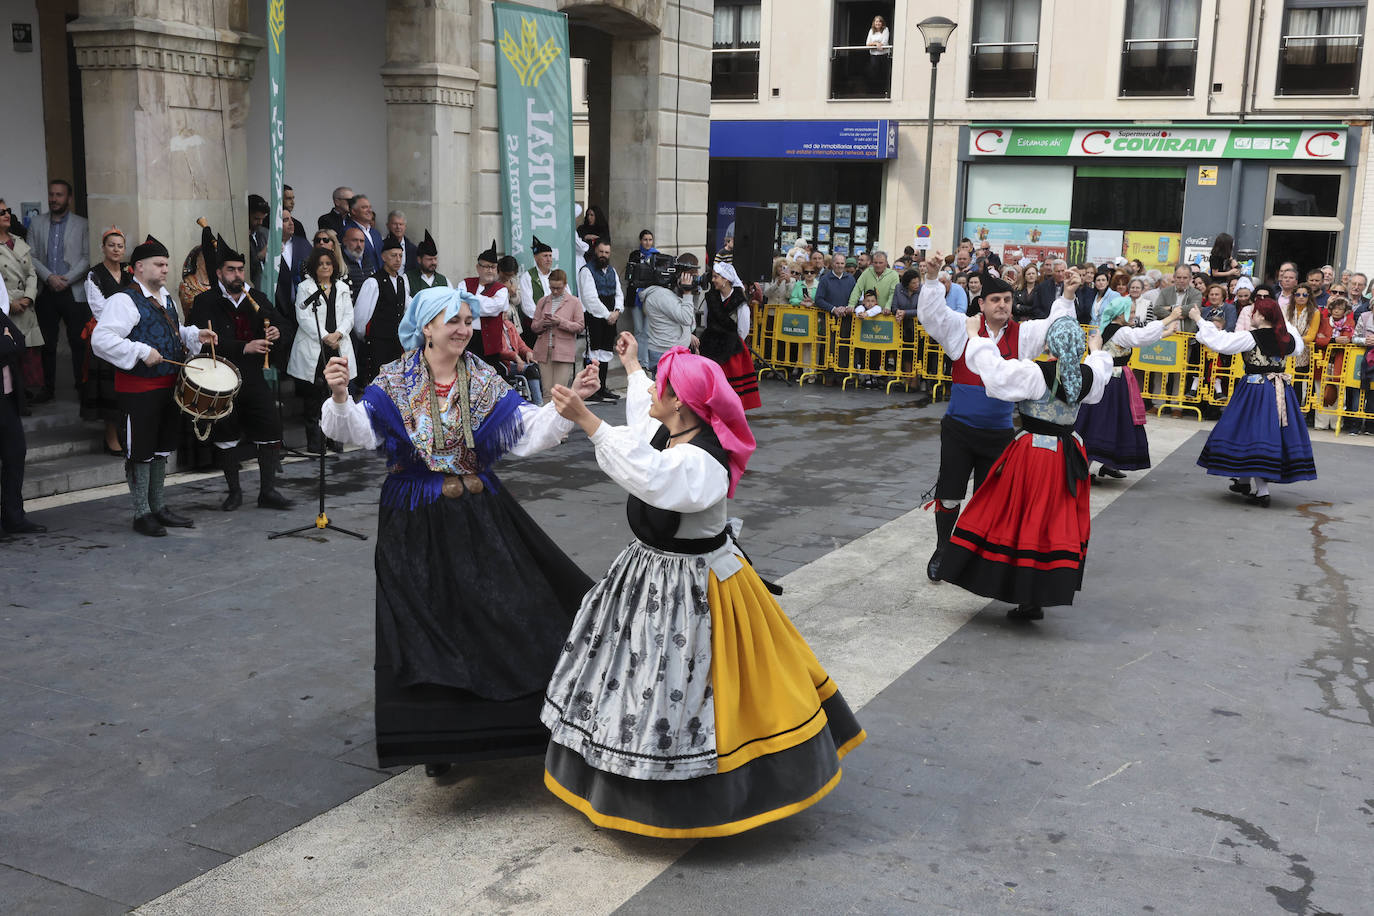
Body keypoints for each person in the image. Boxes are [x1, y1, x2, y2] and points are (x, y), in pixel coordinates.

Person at [541, 333, 866, 837]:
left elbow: (653, 478)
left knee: (683, 686)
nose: (652, 393)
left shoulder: (702, 461)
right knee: (635, 676)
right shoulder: (673, 432)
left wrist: (587, 421)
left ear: (680, 403)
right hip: (650, 572)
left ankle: (684, 796)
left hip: (695, 587)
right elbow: (641, 431)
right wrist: (630, 368)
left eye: (660, 387)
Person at [318, 286, 600, 774]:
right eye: (455, 320)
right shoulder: (394, 381)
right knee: (428, 625)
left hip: (477, 513)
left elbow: (526, 432)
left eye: (469, 321)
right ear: (427, 327)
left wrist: (567, 406)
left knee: (503, 610)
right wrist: (341, 397)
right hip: (414, 517)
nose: (465, 330)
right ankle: (438, 743)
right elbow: (358, 433)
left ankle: (520, 723)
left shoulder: (484, 378)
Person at [937, 315, 1113, 620]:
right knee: (1049, 522)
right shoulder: (1086, 375)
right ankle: (1034, 599)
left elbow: (996, 374)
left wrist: (975, 337)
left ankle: (1007, 584)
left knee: (1014, 516)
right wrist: (1096, 349)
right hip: (1065, 456)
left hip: (1032, 456)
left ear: (1049, 344)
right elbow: (1102, 369)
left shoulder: (1036, 372)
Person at [917, 253, 1078, 582]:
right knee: (949, 494)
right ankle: (943, 548)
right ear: (982, 303)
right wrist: (932, 280)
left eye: (1007, 299)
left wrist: (1068, 296)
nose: (1003, 305)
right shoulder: (963, 329)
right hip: (959, 430)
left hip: (999, 434)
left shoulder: (1023, 334)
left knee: (990, 499)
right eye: (996, 300)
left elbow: (1055, 327)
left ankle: (977, 554)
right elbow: (932, 316)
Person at [91, 236, 219, 537]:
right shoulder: (124, 300)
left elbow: (169, 332)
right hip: (139, 389)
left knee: (161, 449)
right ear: (138, 267)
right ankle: (141, 513)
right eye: (159, 265)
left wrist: (192, 335)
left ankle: (159, 506)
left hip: (169, 387)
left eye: (166, 265)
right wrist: (139, 351)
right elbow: (102, 340)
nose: (165, 270)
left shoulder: (167, 299)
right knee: (141, 451)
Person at [188, 229, 294, 511]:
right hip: (221, 378)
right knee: (226, 433)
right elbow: (200, 343)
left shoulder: (255, 297)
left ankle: (268, 491)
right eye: (231, 270)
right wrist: (243, 347)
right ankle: (234, 491)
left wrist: (276, 335)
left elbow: (283, 324)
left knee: (270, 429)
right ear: (220, 273)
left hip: (254, 376)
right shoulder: (205, 302)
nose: (237, 275)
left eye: (240, 270)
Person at [1191, 299, 1316, 505]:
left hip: (1255, 390)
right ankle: (1243, 481)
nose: (1252, 315)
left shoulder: (1251, 338)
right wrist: (1283, 318)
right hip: (1280, 391)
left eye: (1255, 313)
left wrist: (1199, 320)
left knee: (1254, 434)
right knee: (1258, 433)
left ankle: (1262, 491)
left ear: (1263, 316)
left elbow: (1220, 342)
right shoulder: (1288, 339)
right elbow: (1299, 345)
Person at [1075, 301, 1182, 479]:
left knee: (1108, 420)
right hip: (1113, 381)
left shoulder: (1108, 327)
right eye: (1130, 312)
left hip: (1109, 378)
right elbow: (1140, 337)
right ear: (1119, 314)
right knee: (1105, 421)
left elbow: (1140, 337)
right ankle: (1086, 468)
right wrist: (1169, 318)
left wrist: (1166, 333)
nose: (1133, 315)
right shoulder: (1121, 331)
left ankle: (1108, 464)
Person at [287, 246, 357, 454]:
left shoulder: (342, 287)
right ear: (314, 267)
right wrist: (325, 336)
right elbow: (304, 318)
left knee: (336, 394)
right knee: (314, 397)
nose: (325, 267)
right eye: (321, 264)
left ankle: (336, 439)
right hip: (315, 348)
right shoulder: (305, 288)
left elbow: (349, 316)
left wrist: (339, 334)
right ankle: (316, 442)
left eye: (328, 263)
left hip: (338, 345)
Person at [29, 179, 91, 403]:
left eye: (59, 195)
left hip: (73, 290)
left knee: (78, 341)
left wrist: (67, 278)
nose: (54, 199)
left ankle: (81, 386)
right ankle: (48, 388)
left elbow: (87, 256)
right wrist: (49, 277)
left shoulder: (82, 224)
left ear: (69, 198)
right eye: (51, 195)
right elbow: (31, 255)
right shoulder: (36, 223)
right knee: (47, 342)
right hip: (46, 290)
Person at [1, 279, 45, 535]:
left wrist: (7, 342)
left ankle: (13, 517)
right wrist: (6, 343)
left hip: (7, 398)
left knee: (15, 454)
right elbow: (7, 345)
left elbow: (18, 340)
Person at [83, 228, 133, 453]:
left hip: (129, 335)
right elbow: (99, 309)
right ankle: (111, 436)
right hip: (107, 335)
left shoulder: (129, 273)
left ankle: (126, 433)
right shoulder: (94, 274)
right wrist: (121, 324)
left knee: (127, 388)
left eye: (120, 246)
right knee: (110, 389)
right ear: (103, 248)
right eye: (111, 245)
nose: (116, 249)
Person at [698, 262, 760, 410]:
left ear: (726, 279)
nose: (713, 280)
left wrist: (732, 343)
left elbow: (743, 329)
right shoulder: (711, 298)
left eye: (716, 277)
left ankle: (730, 408)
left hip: (731, 346)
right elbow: (706, 321)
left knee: (730, 380)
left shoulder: (740, 301)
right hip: (711, 344)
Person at [0, 200, 43, 412]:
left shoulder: (18, 241)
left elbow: (32, 273)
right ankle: (16, 401)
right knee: (10, 355)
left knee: (27, 357)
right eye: (1, 212)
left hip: (25, 305)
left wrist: (28, 297)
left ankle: (24, 396)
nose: (6, 214)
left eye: (7, 211)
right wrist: (10, 302)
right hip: (7, 308)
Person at [354, 236, 412, 386]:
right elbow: (361, 317)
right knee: (378, 381)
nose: (398, 259)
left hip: (396, 343)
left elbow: (407, 306)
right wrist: (367, 338)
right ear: (383, 257)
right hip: (377, 345)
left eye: (400, 255)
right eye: (393, 256)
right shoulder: (373, 282)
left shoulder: (401, 281)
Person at [577, 238, 624, 402]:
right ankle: (589, 391)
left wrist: (617, 311)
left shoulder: (612, 271)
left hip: (611, 318)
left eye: (607, 253)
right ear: (595, 252)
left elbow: (619, 293)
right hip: (594, 318)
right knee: (593, 353)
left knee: (605, 352)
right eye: (601, 252)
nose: (603, 255)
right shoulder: (586, 271)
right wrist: (607, 315)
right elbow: (590, 299)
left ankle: (602, 387)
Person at [640, 254, 701, 368]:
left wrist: (693, 292)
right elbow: (686, 318)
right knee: (666, 386)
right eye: (693, 273)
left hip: (674, 351)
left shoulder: (669, 293)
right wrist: (687, 293)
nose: (697, 276)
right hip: (666, 352)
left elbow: (687, 316)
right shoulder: (661, 295)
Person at [460, 240, 512, 367]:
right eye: (486, 267)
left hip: (490, 344)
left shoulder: (502, 289)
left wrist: (470, 299)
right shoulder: (465, 283)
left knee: (488, 379)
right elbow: (460, 305)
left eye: (493, 267)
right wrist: (486, 300)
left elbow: (493, 309)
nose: (490, 270)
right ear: (478, 267)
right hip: (468, 338)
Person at [531, 269, 585, 389]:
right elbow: (534, 327)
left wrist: (560, 322)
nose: (555, 291)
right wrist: (543, 323)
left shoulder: (574, 302)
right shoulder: (543, 301)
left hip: (564, 351)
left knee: (559, 391)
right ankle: (547, 408)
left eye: (559, 288)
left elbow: (580, 326)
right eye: (552, 287)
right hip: (544, 351)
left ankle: (558, 409)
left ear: (565, 285)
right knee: (546, 391)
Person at [516, 235, 555, 344]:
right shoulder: (527, 277)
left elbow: (567, 298)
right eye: (545, 256)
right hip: (536, 328)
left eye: (550, 256)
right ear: (536, 257)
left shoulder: (556, 275)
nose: (549, 259)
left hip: (557, 326)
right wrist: (545, 320)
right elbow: (527, 306)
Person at [275, 208, 313, 316]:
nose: (291, 223)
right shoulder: (268, 245)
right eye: (285, 220)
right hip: (278, 306)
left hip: (304, 305)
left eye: (291, 219)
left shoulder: (303, 243)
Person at [623, 229, 658, 338]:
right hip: (636, 295)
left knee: (648, 330)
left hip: (651, 296)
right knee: (638, 329)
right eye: (645, 240)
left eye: (650, 240)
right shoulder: (634, 255)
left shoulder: (656, 255)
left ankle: (646, 355)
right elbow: (630, 275)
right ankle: (637, 354)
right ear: (640, 241)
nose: (648, 242)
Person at [342, 195, 384, 275]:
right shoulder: (348, 231)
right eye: (364, 207)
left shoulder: (375, 233)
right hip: (359, 278)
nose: (369, 210)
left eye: (370, 207)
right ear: (353, 211)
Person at [815, 252, 856, 317]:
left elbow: (855, 297)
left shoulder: (851, 279)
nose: (840, 266)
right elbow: (818, 299)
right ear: (832, 264)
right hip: (828, 317)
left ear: (845, 264)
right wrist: (833, 309)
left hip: (847, 317)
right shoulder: (824, 279)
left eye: (842, 263)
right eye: (837, 263)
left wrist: (847, 308)